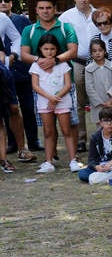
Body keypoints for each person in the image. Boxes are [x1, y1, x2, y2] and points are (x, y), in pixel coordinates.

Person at [20, 0, 80, 166]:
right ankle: (51, 156)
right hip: (42, 84)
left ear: (54, 8)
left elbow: (73, 51)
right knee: (48, 125)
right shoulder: (29, 30)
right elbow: (24, 54)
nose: (45, 11)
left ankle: (74, 156)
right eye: (41, 8)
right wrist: (39, 60)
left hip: (65, 82)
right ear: (36, 10)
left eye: (48, 7)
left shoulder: (66, 27)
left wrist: (55, 60)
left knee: (70, 123)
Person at [29, 33, 79, 174]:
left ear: (57, 49)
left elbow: (68, 85)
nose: (49, 52)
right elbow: (35, 86)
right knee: (48, 132)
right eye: (46, 49)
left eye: (52, 49)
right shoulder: (35, 66)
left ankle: (73, 160)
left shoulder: (63, 65)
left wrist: (57, 98)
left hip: (62, 102)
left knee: (66, 130)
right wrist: (50, 98)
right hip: (44, 103)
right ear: (40, 49)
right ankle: (49, 161)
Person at [0, 0, 41, 154]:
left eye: (6, 0)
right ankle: (12, 144)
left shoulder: (21, 20)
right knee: (8, 110)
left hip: (21, 70)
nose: (3, 3)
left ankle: (33, 141)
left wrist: (14, 56)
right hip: (4, 74)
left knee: (27, 108)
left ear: (11, 3)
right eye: (0, 1)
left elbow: (25, 40)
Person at [58, 0, 97, 151]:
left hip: (97, 63)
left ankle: (102, 136)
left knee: (98, 100)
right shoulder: (67, 17)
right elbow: (58, 38)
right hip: (78, 62)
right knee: (79, 103)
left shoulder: (98, 14)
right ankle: (81, 139)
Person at [77, 107, 112, 186]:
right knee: (82, 173)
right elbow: (91, 159)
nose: (109, 123)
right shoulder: (95, 138)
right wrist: (96, 167)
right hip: (102, 167)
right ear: (100, 123)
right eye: (106, 120)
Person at [85, 39, 112, 128]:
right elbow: (89, 88)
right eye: (94, 51)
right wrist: (101, 103)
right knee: (100, 126)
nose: (97, 53)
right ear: (91, 53)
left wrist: (111, 99)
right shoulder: (88, 69)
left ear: (105, 51)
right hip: (98, 105)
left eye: (100, 50)